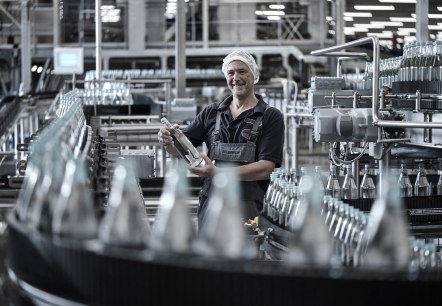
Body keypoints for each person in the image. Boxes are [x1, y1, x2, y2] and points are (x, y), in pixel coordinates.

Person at [158, 50, 285, 227]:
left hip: (250, 209)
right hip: (211, 202)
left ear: (254, 75)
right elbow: (179, 150)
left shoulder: (271, 117)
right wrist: (168, 141)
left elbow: (265, 169)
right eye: (231, 73)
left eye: (242, 71)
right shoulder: (211, 112)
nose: (236, 78)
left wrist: (218, 173)